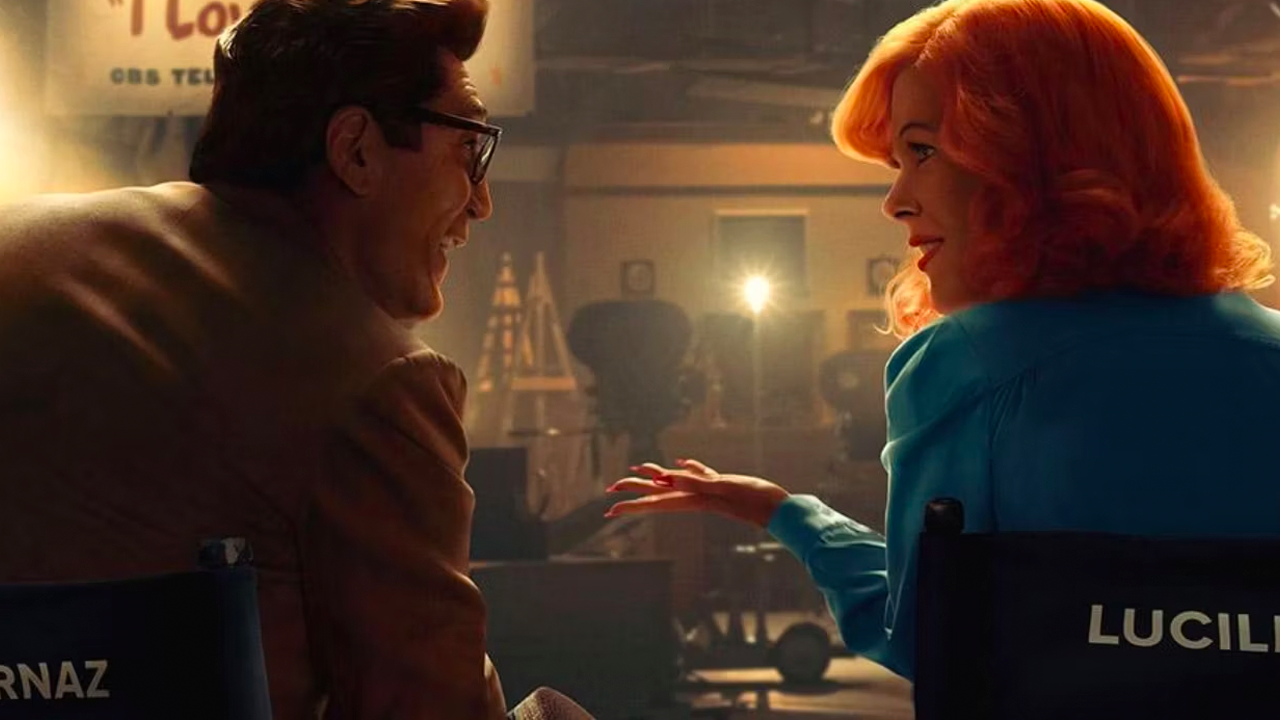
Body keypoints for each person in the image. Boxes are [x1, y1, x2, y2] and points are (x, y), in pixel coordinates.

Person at [606, 0, 1280, 682]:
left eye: (922, 150)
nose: (894, 201)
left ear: (1029, 155)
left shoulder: (970, 362)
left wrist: (792, 518)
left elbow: (927, 634)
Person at [0, 0, 509, 718]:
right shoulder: (377, 383)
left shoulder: (18, 245)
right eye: (469, 149)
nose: (481, 202)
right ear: (357, 150)